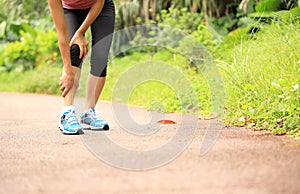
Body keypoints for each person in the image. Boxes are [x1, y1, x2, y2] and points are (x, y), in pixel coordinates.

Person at [47, 0, 115, 134]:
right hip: (70, 10)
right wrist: (68, 71)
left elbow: (99, 2)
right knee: (74, 50)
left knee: (100, 57)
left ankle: (89, 113)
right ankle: (67, 113)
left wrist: (81, 32)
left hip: (101, 6)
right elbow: (62, 35)